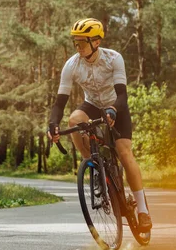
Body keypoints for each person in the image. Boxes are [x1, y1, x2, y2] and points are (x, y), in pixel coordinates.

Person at [48, 18, 152, 232]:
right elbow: (60, 102)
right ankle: (93, 164)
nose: (78, 48)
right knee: (74, 120)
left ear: (95, 41)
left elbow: (122, 95)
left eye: (82, 43)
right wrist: (52, 124)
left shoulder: (113, 58)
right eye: (75, 43)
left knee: (124, 152)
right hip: (93, 104)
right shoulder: (72, 65)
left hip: (116, 105)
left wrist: (114, 109)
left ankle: (142, 211)